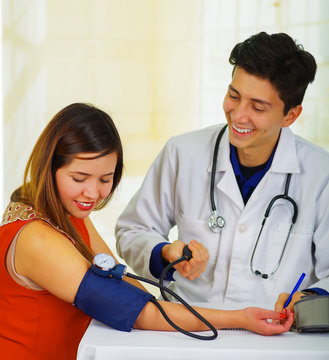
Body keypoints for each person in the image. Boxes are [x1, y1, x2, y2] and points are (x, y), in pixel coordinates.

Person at [0, 103, 294, 360]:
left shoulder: (65, 212)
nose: (93, 193)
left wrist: (165, 281)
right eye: (79, 178)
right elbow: (140, 312)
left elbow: (125, 285)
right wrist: (240, 319)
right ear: (49, 167)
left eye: (105, 178)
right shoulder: (37, 239)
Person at [115, 32, 329, 312]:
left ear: (290, 115)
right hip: (189, 324)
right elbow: (132, 230)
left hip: (278, 337)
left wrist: (311, 296)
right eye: (234, 95)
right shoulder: (183, 152)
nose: (238, 115)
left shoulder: (321, 174)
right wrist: (165, 252)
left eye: (257, 106)